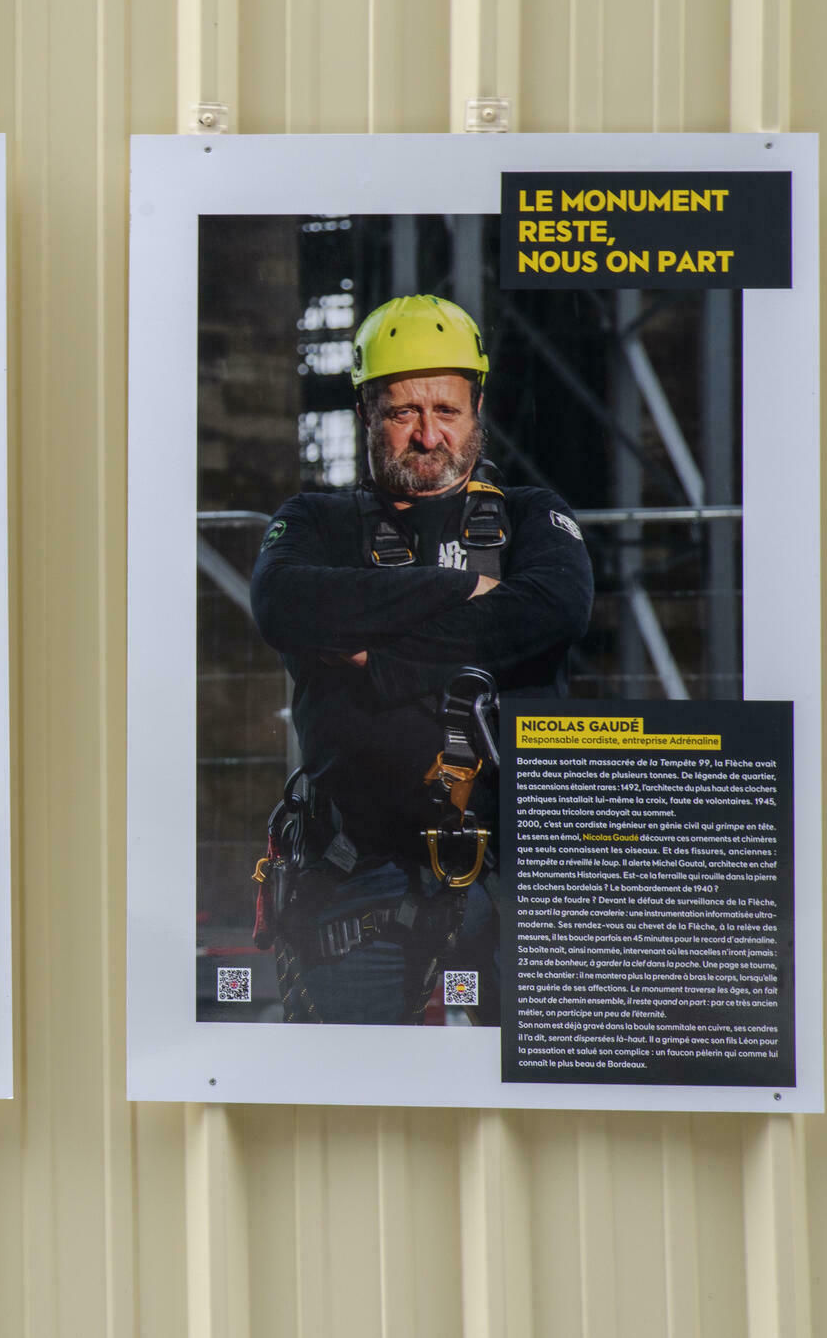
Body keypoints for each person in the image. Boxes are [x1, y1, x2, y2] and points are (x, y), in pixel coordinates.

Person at [249, 294, 593, 1025]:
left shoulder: (532, 517)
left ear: (478, 409)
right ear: (367, 415)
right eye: (402, 412)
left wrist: (384, 657)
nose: (426, 433)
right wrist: (466, 587)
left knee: (535, 1097)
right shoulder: (315, 523)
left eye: (446, 409)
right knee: (347, 1107)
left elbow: (553, 607)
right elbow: (283, 604)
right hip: (358, 877)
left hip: (525, 875)